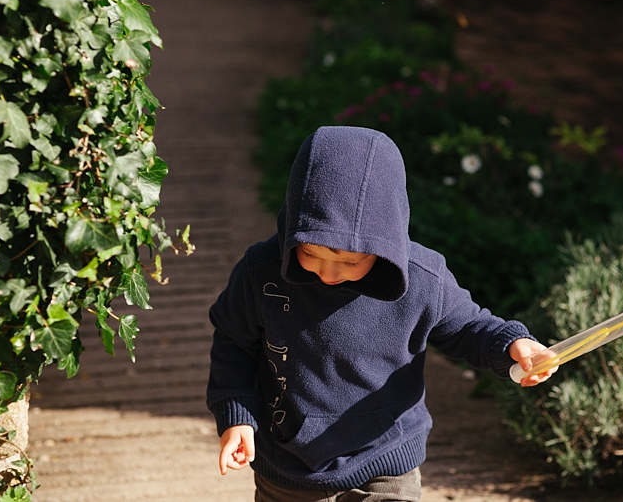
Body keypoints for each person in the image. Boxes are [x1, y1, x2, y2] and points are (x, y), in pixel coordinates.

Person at [206, 126, 555, 501]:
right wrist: (237, 416)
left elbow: (468, 327)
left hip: (385, 461)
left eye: (350, 262)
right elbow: (233, 344)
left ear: (383, 241)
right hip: (288, 467)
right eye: (310, 254)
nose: (328, 272)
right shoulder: (261, 273)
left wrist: (512, 345)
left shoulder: (423, 279)